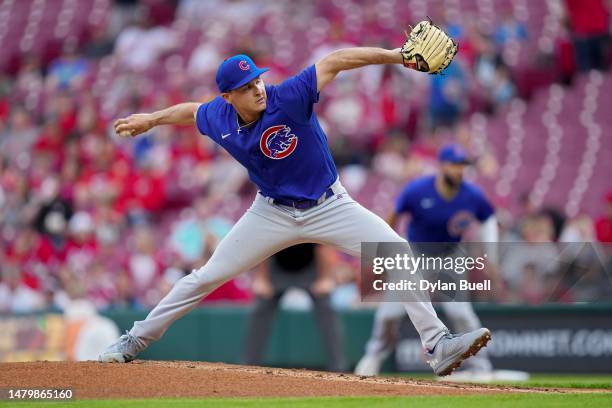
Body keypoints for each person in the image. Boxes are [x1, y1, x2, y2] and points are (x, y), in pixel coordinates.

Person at [98, 46, 491, 376]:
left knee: (396, 252)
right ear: (228, 98)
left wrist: (395, 56)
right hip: (270, 212)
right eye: (245, 87)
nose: (257, 89)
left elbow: (335, 61)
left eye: (256, 80)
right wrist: (152, 118)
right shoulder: (218, 116)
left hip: (329, 205)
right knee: (205, 277)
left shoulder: (287, 97)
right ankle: (135, 339)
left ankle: (437, 344)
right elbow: (191, 111)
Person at [355, 144, 525, 381]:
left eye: (462, 165)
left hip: (450, 256)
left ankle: (481, 366)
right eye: (454, 164)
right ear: (442, 165)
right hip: (415, 255)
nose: (459, 170)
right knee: (389, 314)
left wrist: (491, 256)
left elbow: (487, 219)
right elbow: (392, 218)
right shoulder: (417, 190)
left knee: (461, 313)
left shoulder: (472, 194)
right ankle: (373, 356)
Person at [243, 243, 347, 372]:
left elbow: (323, 246)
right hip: (277, 266)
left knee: (327, 308)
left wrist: (325, 278)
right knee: (260, 307)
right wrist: (262, 278)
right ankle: (249, 365)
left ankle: (338, 367)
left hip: (311, 266)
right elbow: (266, 245)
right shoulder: (276, 223)